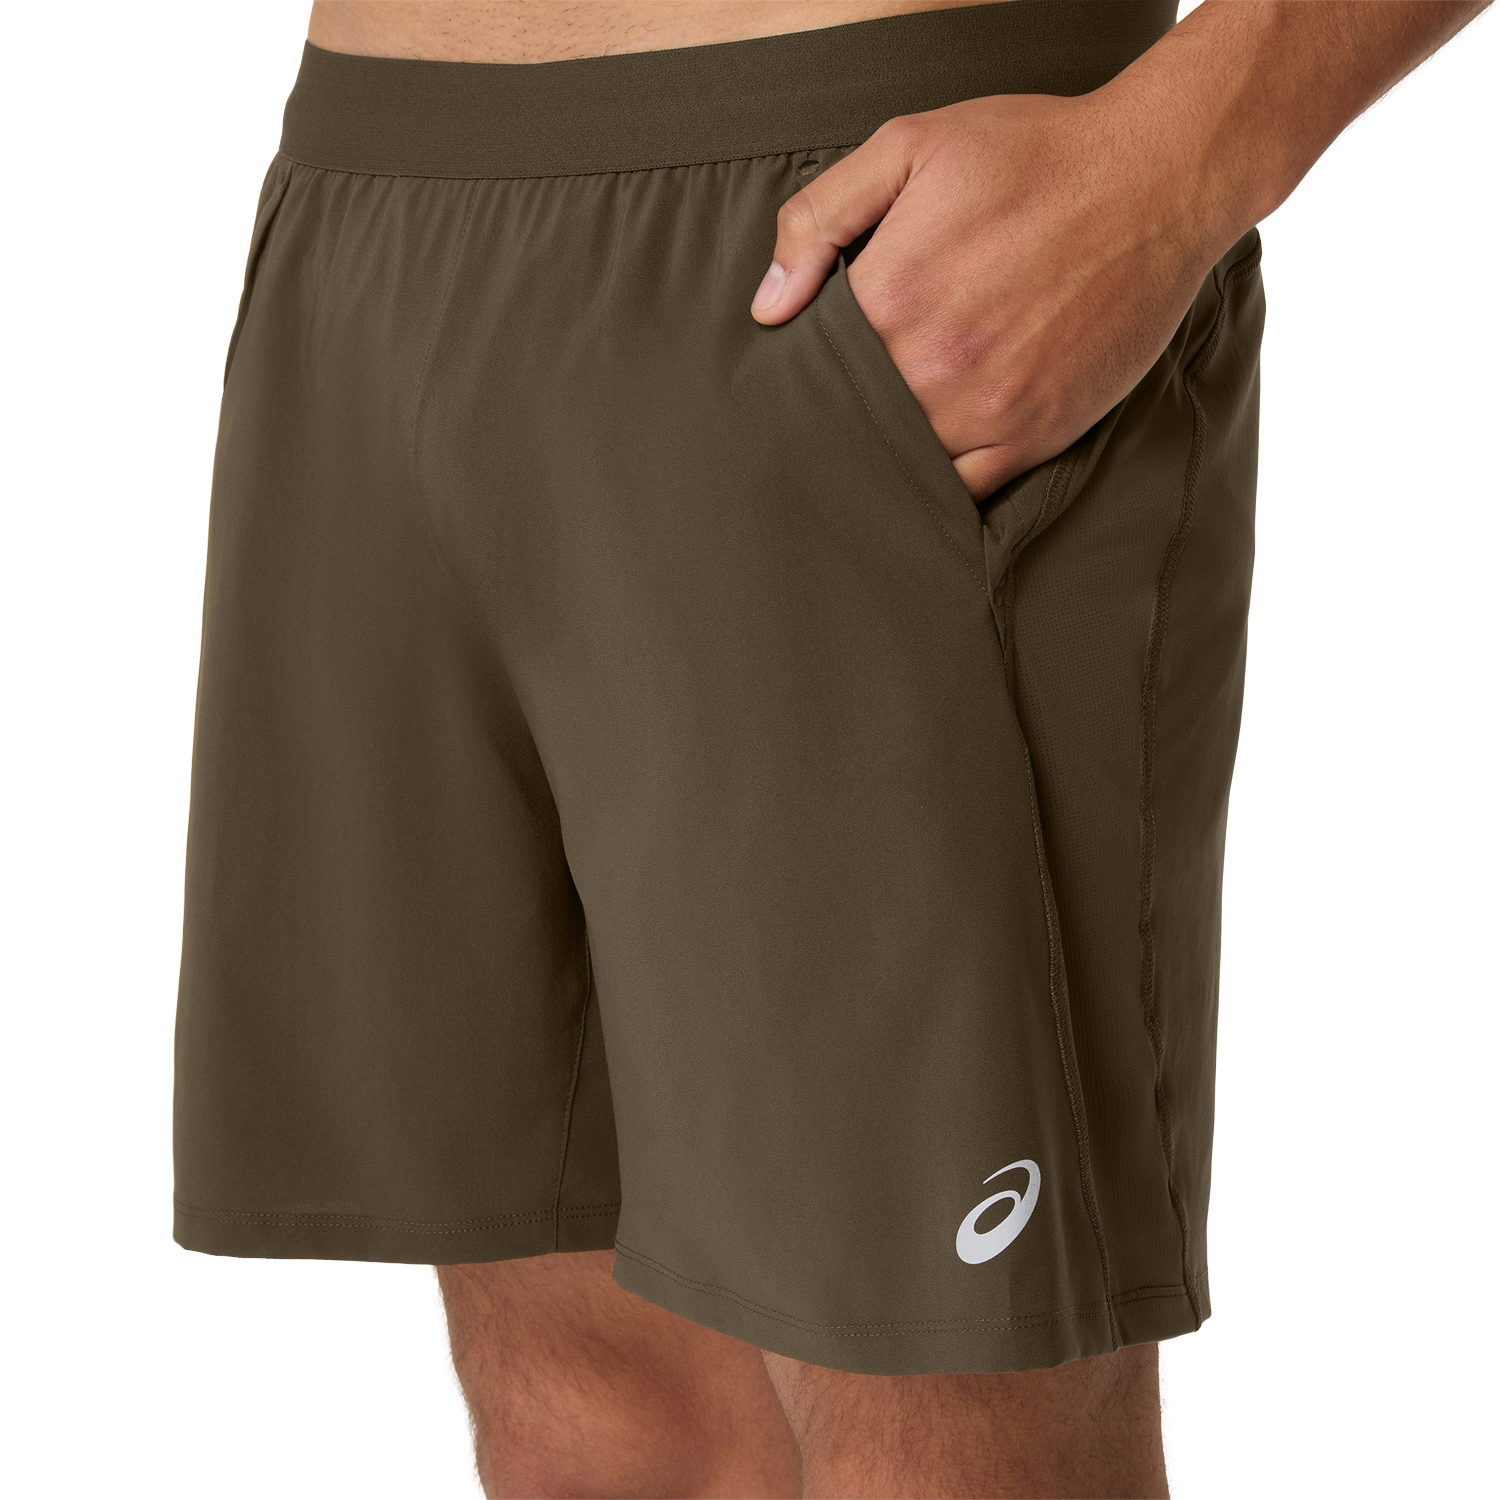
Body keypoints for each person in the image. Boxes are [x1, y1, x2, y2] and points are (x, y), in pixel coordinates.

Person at [171, 0, 1489, 1493]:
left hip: (865, 221)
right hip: (374, 215)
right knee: (586, 1419)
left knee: (947, 1406)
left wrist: (1180, 158)